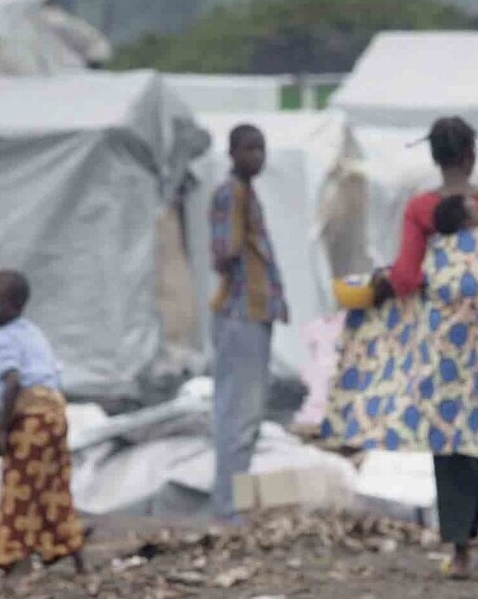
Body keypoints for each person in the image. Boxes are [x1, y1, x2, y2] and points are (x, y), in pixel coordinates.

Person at [378, 116, 478, 578]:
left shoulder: (421, 210)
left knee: (449, 440)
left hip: (444, 345)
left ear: (435, 157)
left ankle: (460, 553)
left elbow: (407, 279)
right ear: (472, 154)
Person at [0, 270, 87, 575]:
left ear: (15, 307)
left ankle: (16, 562)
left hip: (30, 418)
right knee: (54, 487)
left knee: (19, 489)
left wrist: (2, 427)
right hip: (55, 413)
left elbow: (12, 381)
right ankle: (72, 554)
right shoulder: (32, 331)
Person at [209, 123, 288, 522]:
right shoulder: (232, 194)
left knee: (245, 415)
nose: (257, 156)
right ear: (233, 152)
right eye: (250, 149)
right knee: (239, 414)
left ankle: (232, 504)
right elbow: (224, 253)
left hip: (252, 312)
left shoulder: (245, 193)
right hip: (241, 312)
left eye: (261, 148)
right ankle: (228, 509)